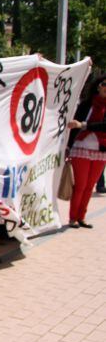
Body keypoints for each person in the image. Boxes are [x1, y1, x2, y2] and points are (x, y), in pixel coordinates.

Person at [67, 74, 106, 229]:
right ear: (98, 86)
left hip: (100, 151)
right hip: (81, 149)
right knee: (80, 185)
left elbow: (103, 125)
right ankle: (73, 218)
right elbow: (72, 125)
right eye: (104, 84)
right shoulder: (86, 104)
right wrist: (68, 146)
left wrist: (83, 125)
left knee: (90, 186)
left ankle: (82, 217)